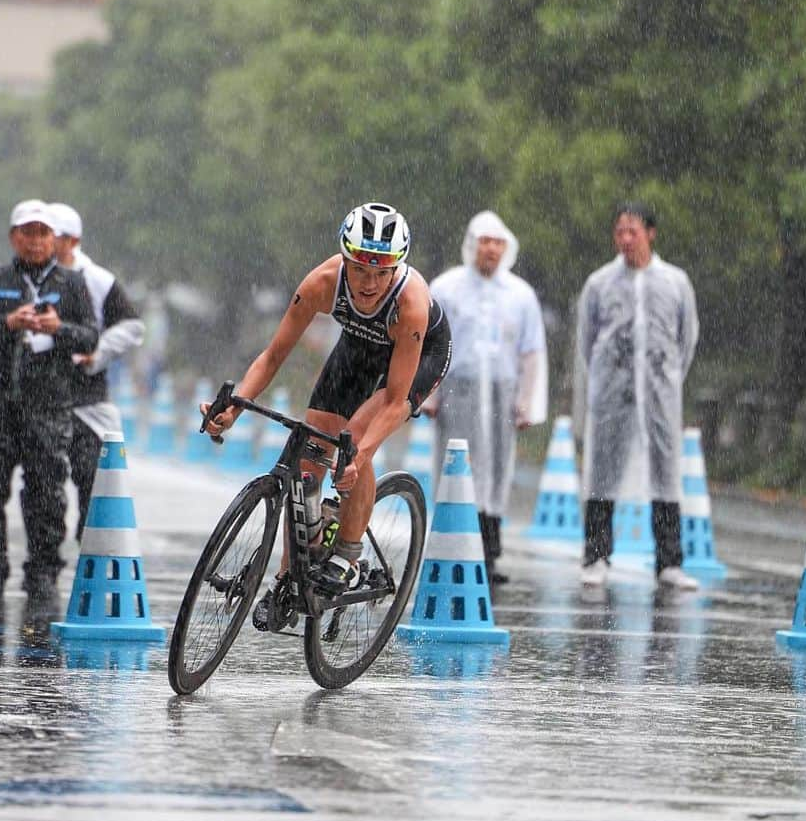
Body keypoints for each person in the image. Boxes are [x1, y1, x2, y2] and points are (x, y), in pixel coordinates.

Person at [203, 201, 452, 629]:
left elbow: (394, 401)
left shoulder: (411, 302)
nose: (370, 283)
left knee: (353, 439)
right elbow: (273, 355)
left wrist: (360, 454)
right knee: (306, 454)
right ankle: (288, 577)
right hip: (358, 344)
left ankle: (349, 556)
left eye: (382, 272)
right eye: (360, 270)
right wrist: (235, 407)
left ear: (396, 268)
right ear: (345, 259)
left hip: (417, 355)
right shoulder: (321, 283)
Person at [0, 199, 98, 604]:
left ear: (54, 239)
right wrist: (9, 323)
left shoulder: (72, 284)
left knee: (46, 491)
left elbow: (91, 335)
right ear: (14, 237)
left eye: (43, 233)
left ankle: (42, 571)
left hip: (49, 406)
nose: (36, 241)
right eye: (28, 233)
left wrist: (59, 329)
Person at [574, 202, 700, 591]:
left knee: (666, 472)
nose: (625, 239)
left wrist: (666, 377)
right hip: (614, 393)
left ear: (651, 233)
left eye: (633, 231)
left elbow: (687, 338)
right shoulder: (599, 283)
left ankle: (668, 562)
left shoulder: (675, 282)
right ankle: (596, 555)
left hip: (661, 393)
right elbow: (587, 340)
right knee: (602, 471)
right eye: (619, 232)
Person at [429, 210, 548, 583]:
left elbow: (532, 352)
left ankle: (489, 556)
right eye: (485, 242)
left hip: (501, 393)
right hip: (457, 391)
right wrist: (428, 395)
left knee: (497, 470)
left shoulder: (520, 295)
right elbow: (430, 346)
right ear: (471, 245)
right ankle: (450, 549)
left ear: (506, 249)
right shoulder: (446, 288)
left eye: (498, 243)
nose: (491, 250)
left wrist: (528, 401)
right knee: (456, 467)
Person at [47, 202, 144, 540]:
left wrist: (97, 353)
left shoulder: (98, 281)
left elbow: (132, 326)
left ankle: (88, 542)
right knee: (44, 480)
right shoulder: (32, 277)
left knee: (90, 473)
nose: (43, 241)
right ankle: (44, 559)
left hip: (85, 397)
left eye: (52, 235)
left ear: (72, 240)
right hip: (42, 395)